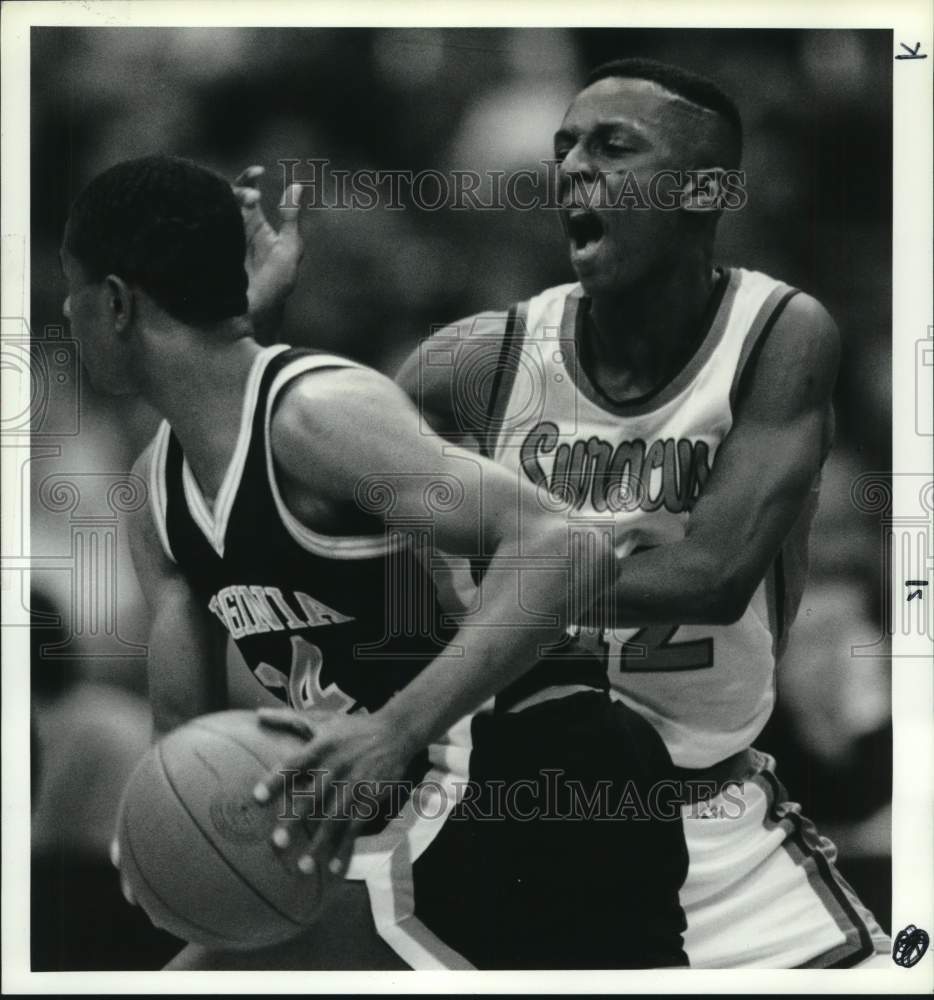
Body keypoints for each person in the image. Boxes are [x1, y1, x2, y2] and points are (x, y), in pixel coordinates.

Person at [61, 154, 689, 970]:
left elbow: (568, 546)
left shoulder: (316, 416)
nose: (61, 319)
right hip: (416, 803)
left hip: (542, 762)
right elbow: (186, 745)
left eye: (67, 291)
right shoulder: (157, 497)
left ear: (113, 302)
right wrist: (168, 852)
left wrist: (396, 728)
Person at [394, 58, 890, 968]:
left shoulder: (778, 332)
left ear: (704, 189)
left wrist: (518, 578)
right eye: (564, 147)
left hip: (707, 812)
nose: (574, 167)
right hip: (506, 805)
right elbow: (337, 501)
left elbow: (712, 577)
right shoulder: (481, 357)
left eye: (614, 146)